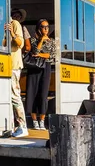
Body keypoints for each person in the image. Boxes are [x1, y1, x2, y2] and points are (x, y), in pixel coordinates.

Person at [26, 19, 57, 131]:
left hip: (46, 68)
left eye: (47, 27)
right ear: (39, 28)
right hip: (35, 68)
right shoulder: (33, 40)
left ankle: (42, 121)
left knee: (43, 94)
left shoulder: (52, 41)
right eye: (43, 27)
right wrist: (41, 41)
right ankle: (34, 121)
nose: (45, 29)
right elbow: (35, 52)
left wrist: (41, 55)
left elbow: (52, 55)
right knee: (32, 93)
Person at [3, 9, 28, 138]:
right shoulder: (1, 25)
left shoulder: (15, 24)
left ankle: (22, 126)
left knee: (14, 95)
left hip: (13, 65)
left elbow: (20, 44)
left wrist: (12, 33)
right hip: (3, 65)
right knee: (5, 96)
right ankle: (8, 126)